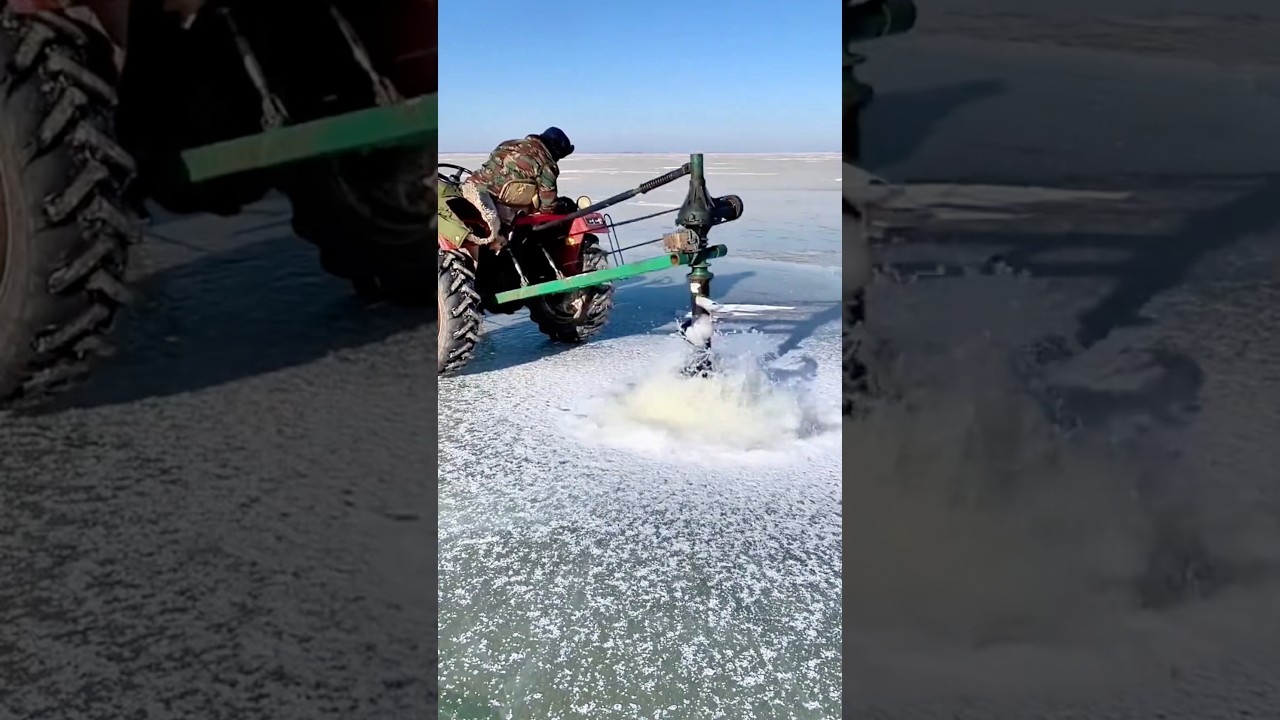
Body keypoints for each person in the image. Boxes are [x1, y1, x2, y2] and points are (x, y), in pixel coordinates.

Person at [460, 126, 577, 250]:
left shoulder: (508, 144)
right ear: (556, 150)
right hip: (497, 205)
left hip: (470, 191)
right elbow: (548, 204)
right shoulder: (546, 163)